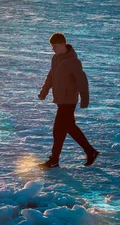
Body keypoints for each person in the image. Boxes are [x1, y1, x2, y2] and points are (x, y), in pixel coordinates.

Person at [38, 33, 99, 168]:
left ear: (63, 44)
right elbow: (51, 76)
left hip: (69, 101)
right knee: (67, 128)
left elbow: (82, 80)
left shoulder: (73, 61)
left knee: (59, 129)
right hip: (60, 100)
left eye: (55, 46)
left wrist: (84, 99)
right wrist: (44, 92)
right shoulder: (55, 59)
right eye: (52, 46)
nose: (53, 49)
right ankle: (90, 152)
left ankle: (55, 159)